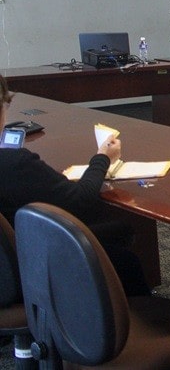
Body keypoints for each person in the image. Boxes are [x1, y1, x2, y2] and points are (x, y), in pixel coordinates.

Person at [0, 73, 149, 296]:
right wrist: (103, 158)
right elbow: (81, 201)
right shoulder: (14, 163)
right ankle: (139, 316)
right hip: (28, 273)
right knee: (125, 259)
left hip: (9, 267)